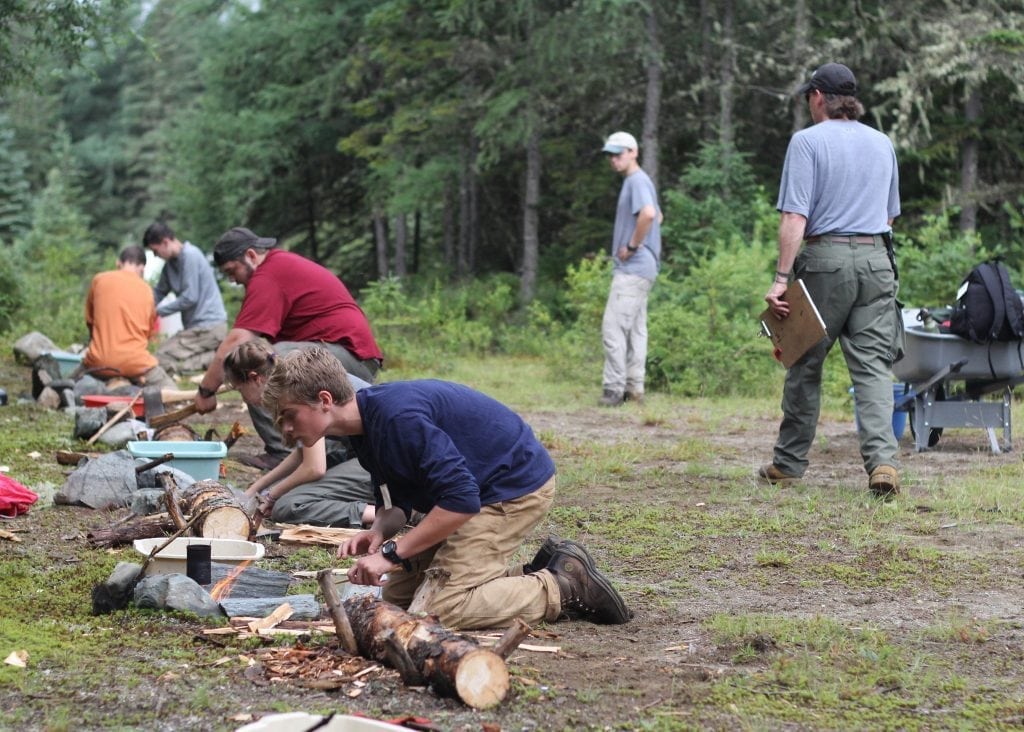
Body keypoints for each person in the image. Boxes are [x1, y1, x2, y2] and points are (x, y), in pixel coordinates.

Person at [261, 346, 632, 630]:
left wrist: (390, 556)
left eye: (288, 416)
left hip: (509, 489)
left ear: (324, 400)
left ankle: (564, 585)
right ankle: (521, 573)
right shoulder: (363, 429)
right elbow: (397, 504)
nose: (285, 429)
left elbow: (461, 501)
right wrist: (378, 533)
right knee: (397, 603)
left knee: (440, 611)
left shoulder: (397, 417)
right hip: (470, 495)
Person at [759, 62, 902, 498]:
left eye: (808, 97)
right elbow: (890, 214)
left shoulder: (806, 143)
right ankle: (883, 464)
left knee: (804, 360)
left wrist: (782, 278)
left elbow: (794, 216)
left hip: (826, 261)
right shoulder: (883, 143)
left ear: (819, 97)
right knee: (874, 367)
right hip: (877, 260)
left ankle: (788, 464)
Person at [194, 226, 383, 471]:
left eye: (232, 270)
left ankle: (282, 452)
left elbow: (237, 342)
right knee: (267, 360)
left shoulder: (268, 276)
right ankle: (327, 448)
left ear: (251, 256)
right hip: (344, 356)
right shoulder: (276, 268)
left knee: (257, 362)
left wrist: (206, 391)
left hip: (350, 357)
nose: (232, 279)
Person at [223, 338, 375, 528]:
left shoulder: (294, 388)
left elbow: (314, 468)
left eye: (240, 390)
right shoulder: (289, 378)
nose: (244, 398)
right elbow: (302, 454)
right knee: (281, 492)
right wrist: (255, 490)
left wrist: (271, 496)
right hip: (361, 452)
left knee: (288, 505)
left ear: (255, 378)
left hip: (379, 459)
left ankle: (380, 513)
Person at [599, 131, 663, 407]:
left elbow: (649, 214)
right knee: (636, 330)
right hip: (645, 268)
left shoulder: (636, 180)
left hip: (634, 267)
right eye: (611, 155)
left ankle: (613, 390)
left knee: (612, 328)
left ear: (633, 152)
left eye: (619, 153)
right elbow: (658, 215)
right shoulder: (639, 181)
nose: (614, 159)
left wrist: (633, 245)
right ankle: (634, 389)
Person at [75, 246, 176, 390]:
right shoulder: (147, 291)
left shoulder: (99, 280)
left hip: (98, 363)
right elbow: (147, 335)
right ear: (142, 267)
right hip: (135, 365)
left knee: (69, 382)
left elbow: (90, 322)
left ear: (118, 263)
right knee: (170, 389)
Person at [143, 223, 228, 375]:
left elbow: (190, 297)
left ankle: (220, 360)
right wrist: (141, 307)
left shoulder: (190, 255)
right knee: (162, 358)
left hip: (208, 327)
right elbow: (158, 293)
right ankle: (216, 358)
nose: (155, 256)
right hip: (195, 330)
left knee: (161, 358)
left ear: (165, 242)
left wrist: (157, 312)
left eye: (155, 251)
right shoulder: (170, 266)